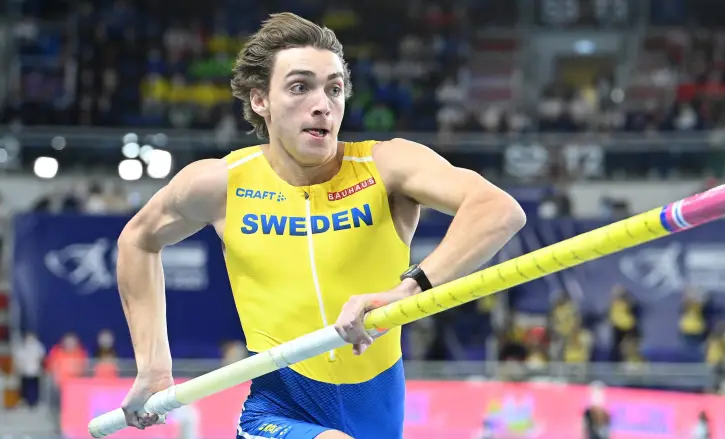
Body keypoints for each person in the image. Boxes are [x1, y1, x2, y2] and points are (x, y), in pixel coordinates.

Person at [116, 12, 525, 439]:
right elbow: (137, 241)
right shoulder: (221, 183)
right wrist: (153, 365)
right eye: (300, 87)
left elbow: (498, 209)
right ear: (260, 100)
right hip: (277, 411)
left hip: (378, 411)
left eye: (334, 88)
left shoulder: (387, 166)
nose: (322, 104)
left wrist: (407, 291)